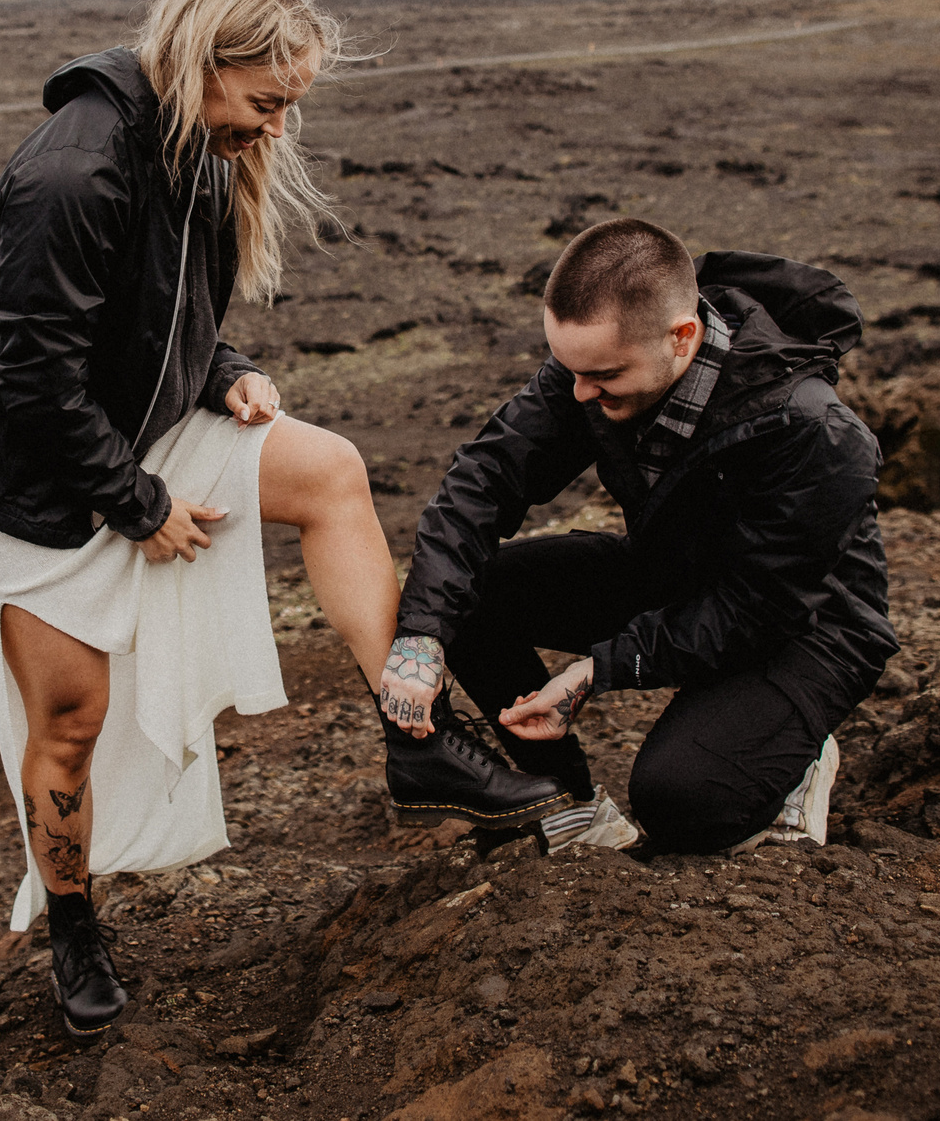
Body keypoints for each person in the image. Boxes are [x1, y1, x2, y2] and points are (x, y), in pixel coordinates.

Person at [0, 0, 439, 1040]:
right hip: (18, 485)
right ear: (203, 59)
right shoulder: (74, 172)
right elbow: (36, 374)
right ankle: (71, 923)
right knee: (72, 715)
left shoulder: (193, 141)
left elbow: (157, 299)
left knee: (328, 470)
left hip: (110, 434)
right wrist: (136, 505)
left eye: (292, 107)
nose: (278, 130)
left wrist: (222, 364)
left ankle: (421, 740)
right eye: (268, 102)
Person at [372, 217, 897, 854]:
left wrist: (601, 669)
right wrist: (424, 633)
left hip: (805, 627)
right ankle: (563, 801)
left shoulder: (811, 428)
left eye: (604, 377)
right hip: (674, 570)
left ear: (683, 338)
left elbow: (760, 607)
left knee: (680, 801)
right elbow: (485, 478)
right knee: (470, 596)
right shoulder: (595, 367)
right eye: (569, 370)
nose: (579, 393)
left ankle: (794, 762)